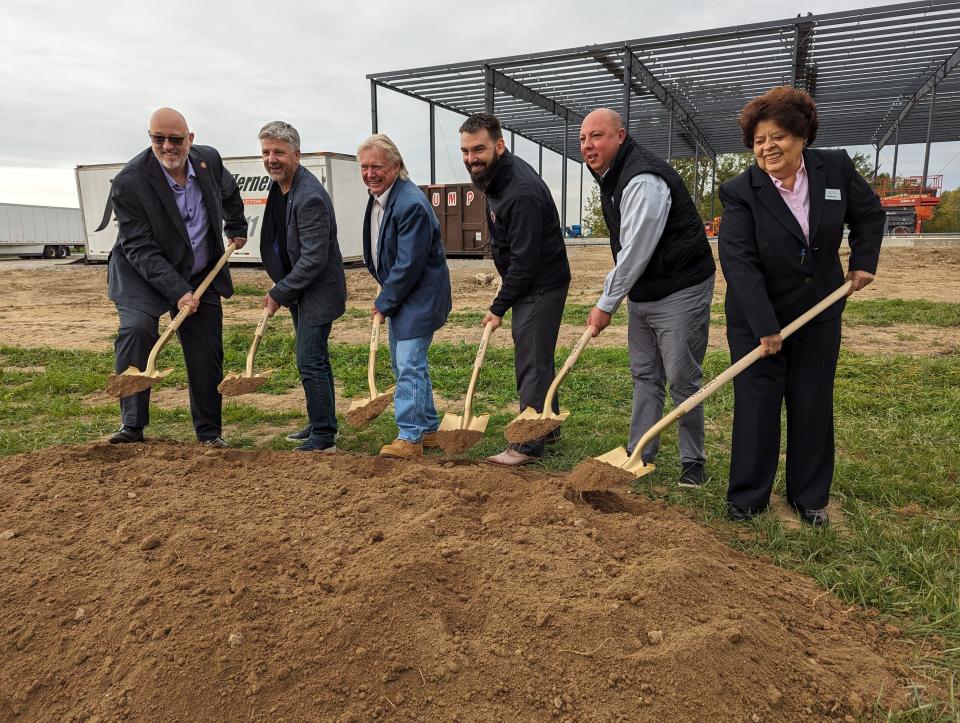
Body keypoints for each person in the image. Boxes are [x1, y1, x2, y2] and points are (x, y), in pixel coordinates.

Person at [718, 86, 884, 526]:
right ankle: (748, 497)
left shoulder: (836, 169)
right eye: (758, 140)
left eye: (778, 136)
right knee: (757, 405)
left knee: (812, 401)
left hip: (819, 312)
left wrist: (864, 261)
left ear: (802, 135)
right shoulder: (740, 191)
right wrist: (765, 326)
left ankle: (808, 497)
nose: (768, 147)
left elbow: (869, 214)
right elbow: (739, 263)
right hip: (759, 316)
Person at [579, 108, 716, 487]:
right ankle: (640, 449)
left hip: (680, 287)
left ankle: (693, 460)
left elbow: (637, 247)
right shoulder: (610, 177)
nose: (589, 145)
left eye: (597, 136)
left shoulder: (642, 178)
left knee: (682, 378)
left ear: (620, 136)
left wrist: (607, 303)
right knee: (644, 375)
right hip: (645, 291)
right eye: (583, 139)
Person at [107, 107, 247, 447]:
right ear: (150, 138)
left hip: (200, 271)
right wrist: (178, 291)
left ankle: (209, 433)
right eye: (159, 139)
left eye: (175, 139)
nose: (168, 146)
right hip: (143, 272)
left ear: (190, 139)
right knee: (137, 330)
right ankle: (133, 425)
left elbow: (228, 192)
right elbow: (139, 247)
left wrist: (237, 226)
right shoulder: (130, 182)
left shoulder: (208, 160)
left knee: (206, 349)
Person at [459, 112, 571, 467]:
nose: (471, 158)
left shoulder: (518, 191)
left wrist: (498, 306)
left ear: (500, 144)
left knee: (532, 363)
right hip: (532, 283)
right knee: (536, 356)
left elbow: (525, 261)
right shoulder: (497, 178)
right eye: (465, 151)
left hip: (539, 284)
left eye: (479, 149)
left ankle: (527, 445)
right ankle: (547, 427)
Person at [357, 134, 451, 459]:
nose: (370, 173)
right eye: (365, 167)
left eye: (377, 166)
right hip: (403, 296)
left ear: (396, 167)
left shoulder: (410, 204)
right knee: (411, 366)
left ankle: (409, 438)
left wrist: (384, 300)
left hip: (420, 297)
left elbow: (409, 263)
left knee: (408, 364)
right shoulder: (381, 196)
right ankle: (427, 430)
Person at [258, 121, 346, 453]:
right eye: (266, 152)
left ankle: (324, 436)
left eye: (278, 152)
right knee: (315, 359)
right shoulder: (282, 186)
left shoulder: (308, 197)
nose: (271, 159)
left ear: (296, 154)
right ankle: (320, 421)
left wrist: (280, 292)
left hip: (317, 292)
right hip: (300, 290)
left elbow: (313, 259)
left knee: (309, 360)